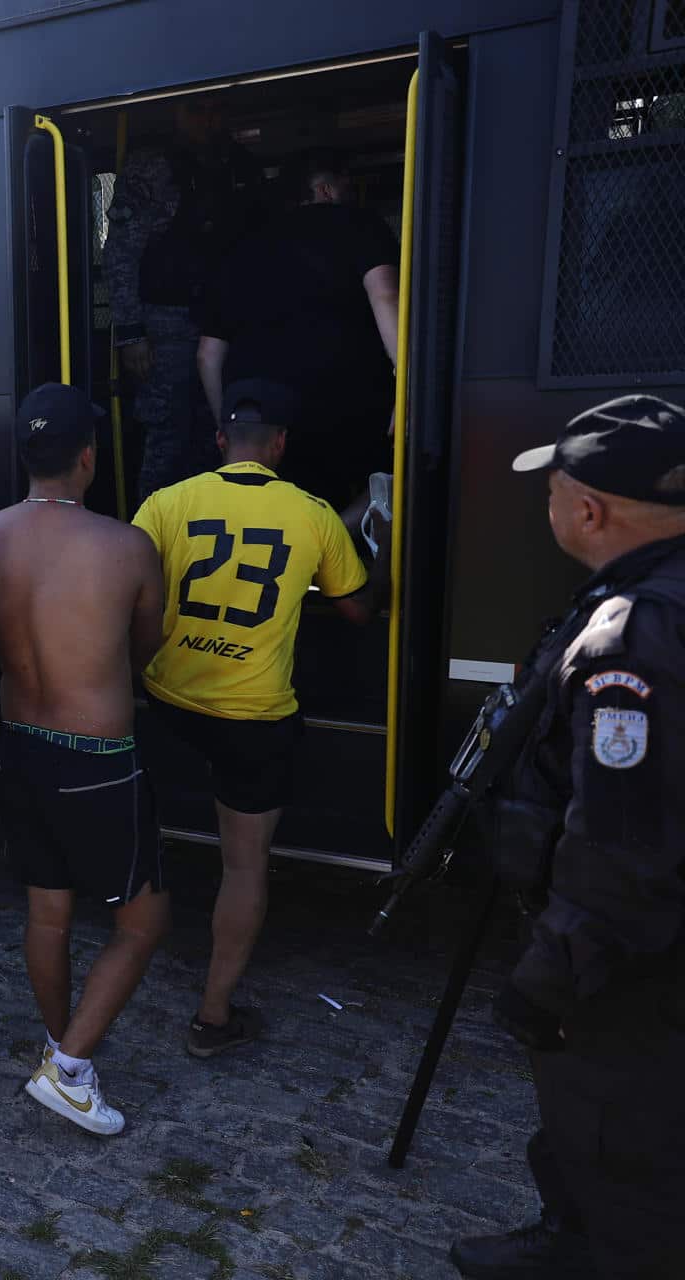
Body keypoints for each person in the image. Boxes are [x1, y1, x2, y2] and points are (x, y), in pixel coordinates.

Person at [449, 396, 685, 1280]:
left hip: (634, 967)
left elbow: (621, 854)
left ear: (587, 511)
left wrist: (551, 977)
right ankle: (571, 1236)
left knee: (623, 1142)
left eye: (550, 490)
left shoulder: (636, 636)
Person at [0, 385, 170, 1135]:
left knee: (48, 910)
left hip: (19, 747)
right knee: (143, 921)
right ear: (88, 458)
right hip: (97, 755)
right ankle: (68, 1070)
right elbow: (146, 647)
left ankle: (58, 1043)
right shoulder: (127, 545)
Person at [132, 378, 385, 1057]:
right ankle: (213, 1017)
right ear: (279, 445)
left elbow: (123, 588)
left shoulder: (166, 502)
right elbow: (359, 609)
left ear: (221, 442)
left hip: (167, 706)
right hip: (253, 720)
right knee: (244, 866)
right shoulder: (313, 513)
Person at [197, 151, 401, 510]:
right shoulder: (359, 224)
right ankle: (336, 543)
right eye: (345, 184)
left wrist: (234, 429)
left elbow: (208, 354)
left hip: (263, 408)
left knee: (281, 499)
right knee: (385, 480)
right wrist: (408, 383)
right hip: (346, 397)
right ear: (325, 189)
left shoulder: (240, 248)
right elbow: (385, 293)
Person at [104, 96, 263, 503]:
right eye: (197, 109)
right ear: (177, 114)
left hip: (230, 325)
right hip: (166, 328)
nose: (208, 119)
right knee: (168, 441)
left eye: (216, 108)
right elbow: (122, 252)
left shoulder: (240, 168)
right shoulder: (154, 167)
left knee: (223, 437)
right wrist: (130, 333)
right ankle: (149, 545)